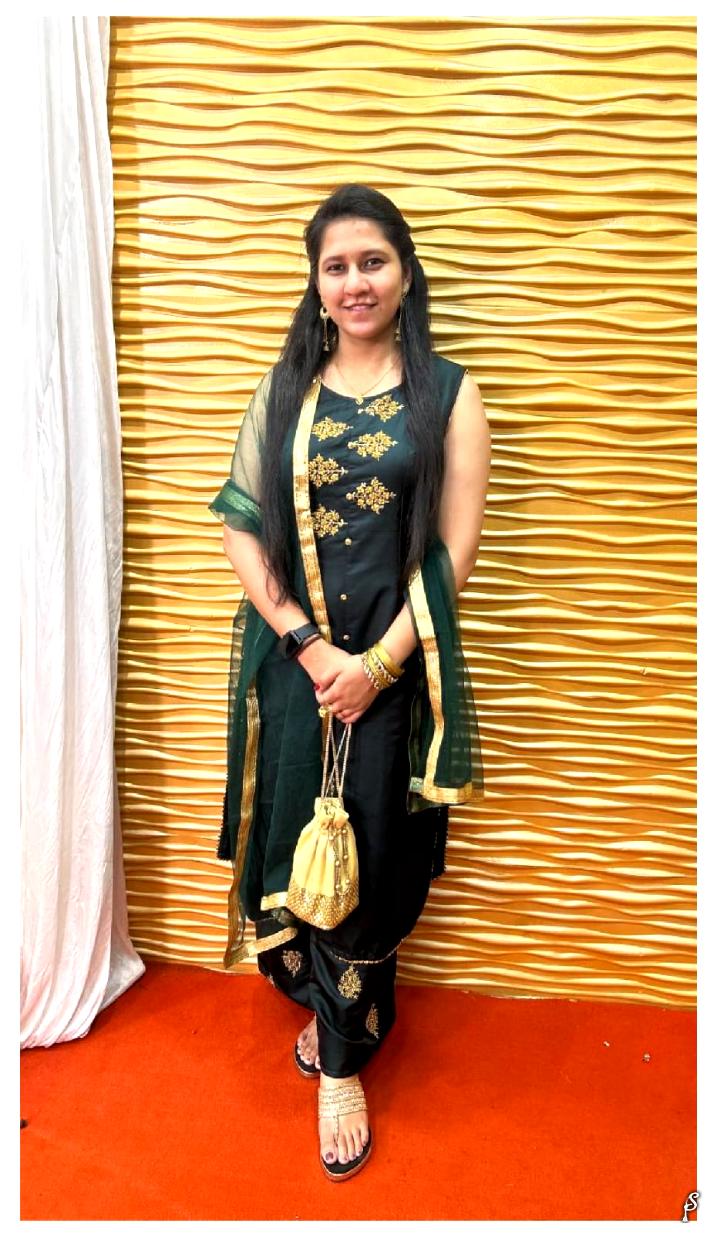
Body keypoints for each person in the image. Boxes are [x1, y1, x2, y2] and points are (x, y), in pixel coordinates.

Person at [208, 183, 490, 1181]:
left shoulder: (448, 395)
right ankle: (323, 1005)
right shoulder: (284, 390)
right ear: (316, 282)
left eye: (373, 261)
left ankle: (341, 1061)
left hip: (395, 674)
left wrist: (374, 666)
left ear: (405, 272)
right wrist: (308, 647)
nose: (355, 281)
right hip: (299, 671)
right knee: (295, 838)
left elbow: (453, 555)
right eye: (336, 266)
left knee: (370, 856)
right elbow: (242, 526)